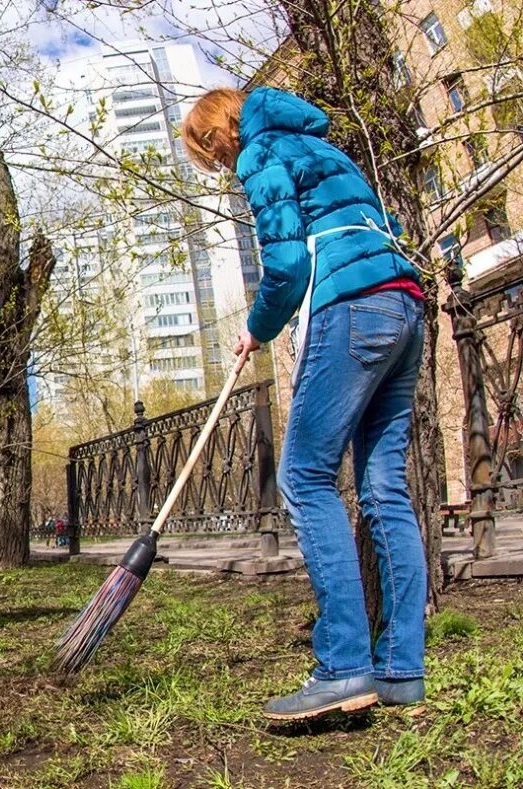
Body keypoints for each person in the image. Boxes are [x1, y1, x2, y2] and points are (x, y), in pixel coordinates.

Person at [182, 87, 426, 720]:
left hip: (349, 309)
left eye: (208, 152)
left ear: (219, 135)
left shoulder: (261, 153)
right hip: (403, 304)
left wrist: (259, 327)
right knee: (383, 489)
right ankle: (401, 669)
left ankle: (345, 667)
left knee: (305, 478)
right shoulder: (319, 145)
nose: (217, 166)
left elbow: (287, 265)